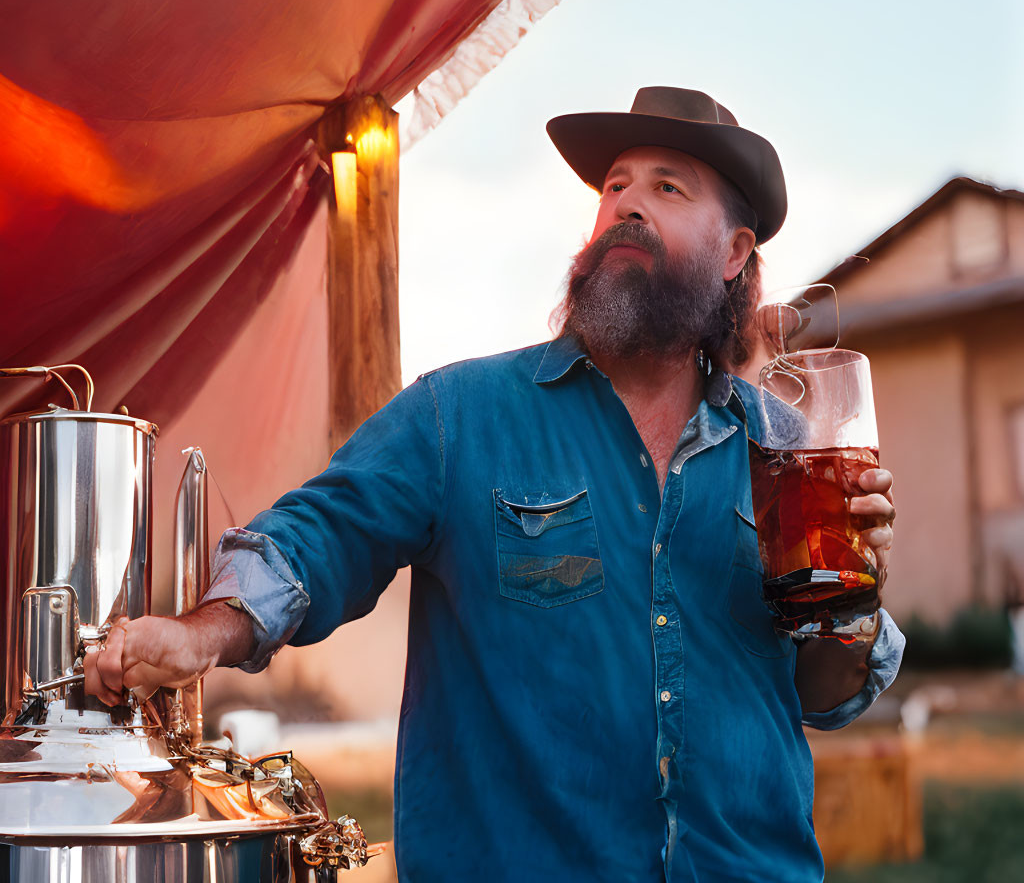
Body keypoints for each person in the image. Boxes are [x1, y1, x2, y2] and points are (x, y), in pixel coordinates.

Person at [86, 87, 904, 882]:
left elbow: (823, 695)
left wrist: (854, 604)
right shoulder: (460, 416)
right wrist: (201, 634)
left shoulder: (788, 446)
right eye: (614, 185)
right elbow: (319, 535)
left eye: (666, 187)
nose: (626, 205)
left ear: (733, 253)